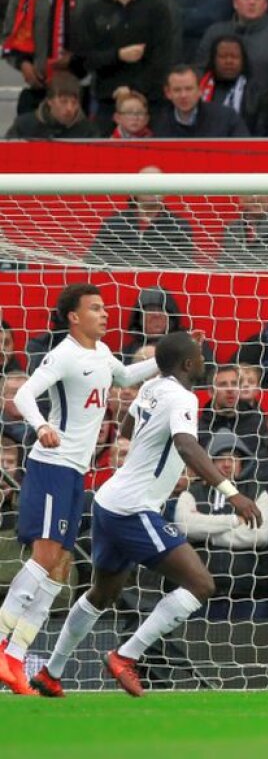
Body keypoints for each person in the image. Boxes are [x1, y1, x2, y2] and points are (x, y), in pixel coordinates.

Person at [27, 332, 261, 697]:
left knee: (100, 595)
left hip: (109, 502)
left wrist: (149, 455)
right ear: (187, 364)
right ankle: (125, 656)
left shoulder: (152, 387)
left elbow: (129, 427)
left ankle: (50, 673)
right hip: (134, 508)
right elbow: (187, 445)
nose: (204, 360)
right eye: (199, 356)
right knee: (201, 584)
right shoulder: (183, 396)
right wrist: (232, 494)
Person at [0, 284, 159, 694]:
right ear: (74, 316)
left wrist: (165, 359)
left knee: (61, 566)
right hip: (51, 466)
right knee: (46, 555)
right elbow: (25, 393)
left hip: (74, 472)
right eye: (96, 308)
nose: (105, 314)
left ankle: (16, 657)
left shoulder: (102, 354)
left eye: (105, 308)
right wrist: (42, 426)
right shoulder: (65, 354)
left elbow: (124, 375)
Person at [173, 429, 268, 620]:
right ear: (209, 462)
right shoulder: (192, 492)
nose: (228, 464)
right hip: (199, 596)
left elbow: (261, 536)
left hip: (249, 597)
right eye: (221, 458)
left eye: (234, 458)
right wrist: (235, 521)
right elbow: (185, 526)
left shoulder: (257, 492)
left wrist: (205, 532)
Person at [78, 0, 174, 127]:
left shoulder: (157, 9)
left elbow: (163, 58)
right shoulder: (95, 10)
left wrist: (132, 91)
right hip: (107, 101)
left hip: (149, 102)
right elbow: (87, 58)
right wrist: (118, 55)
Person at [2, 0, 98, 115]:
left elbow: (99, 40)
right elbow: (8, 39)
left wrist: (75, 59)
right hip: (37, 85)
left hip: (76, 89)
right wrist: (23, 64)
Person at [158, 0, 233, 63]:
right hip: (166, 62)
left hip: (208, 64)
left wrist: (177, 17)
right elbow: (158, 18)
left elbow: (216, 18)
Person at [152, 64, 250, 138]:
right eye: (177, 90)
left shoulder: (226, 118)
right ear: (168, 93)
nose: (183, 95)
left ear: (200, 90)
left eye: (189, 89)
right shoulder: (157, 122)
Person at [4, 70, 98, 138]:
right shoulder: (24, 126)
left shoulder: (88, 132)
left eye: (74, 103)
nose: (70, 108)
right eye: (63, 101)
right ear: (50, 101)